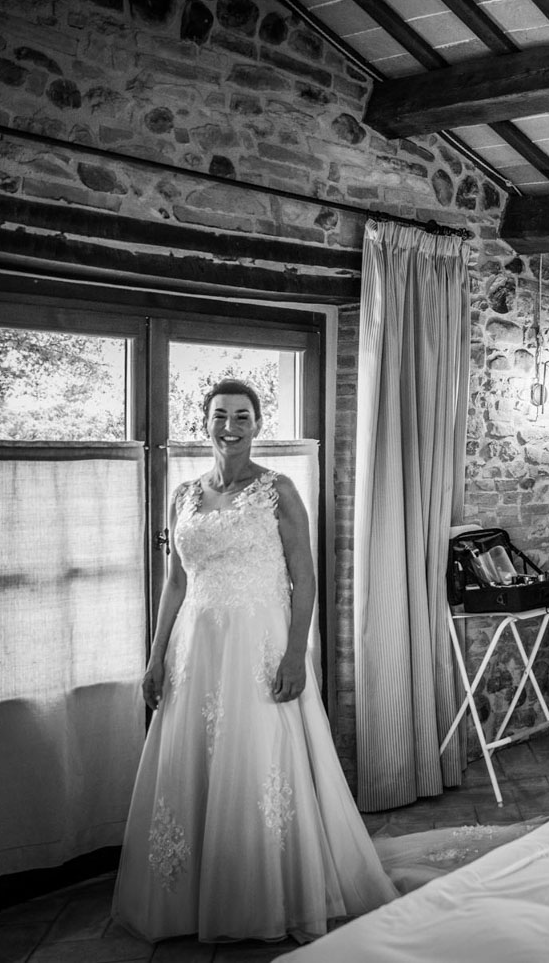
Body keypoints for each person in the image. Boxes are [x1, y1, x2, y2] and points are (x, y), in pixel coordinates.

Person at [112, 380, 395, 943]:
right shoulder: (183, 494)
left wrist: (296, 654)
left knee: (258, 757)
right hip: (196, 651)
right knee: (193, 764)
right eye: (220, 415)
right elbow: (175, 583)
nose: (230, 426)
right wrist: (155, 656)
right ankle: (191, 899)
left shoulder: (278, 490)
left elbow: (305, 579)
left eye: (242, 416)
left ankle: (267, 892)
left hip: (259, 646)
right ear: (205, 422)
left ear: (258, 425)